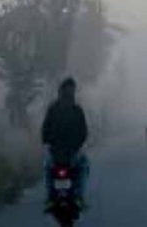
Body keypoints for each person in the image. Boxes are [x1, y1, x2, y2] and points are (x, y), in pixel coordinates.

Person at [41, 77, 89, 212]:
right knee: (83, 166)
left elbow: (45, 130)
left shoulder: (53, 109)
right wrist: (77, 145)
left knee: (48, 170)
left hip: (55, 152)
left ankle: (51, 197)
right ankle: (78, 196)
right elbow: (83, 132)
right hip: (72, 152)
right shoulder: (77, 110)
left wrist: (48, 142)